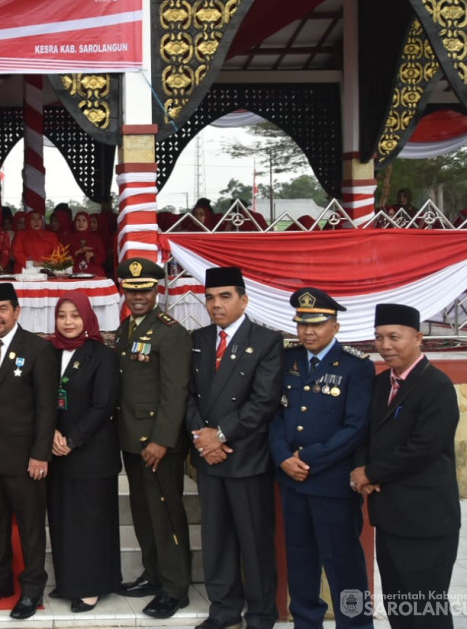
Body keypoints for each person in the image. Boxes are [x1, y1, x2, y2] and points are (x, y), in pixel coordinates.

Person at [351, 304, 460, 629]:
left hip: (426, 521)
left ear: (418, 338)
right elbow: (366, 435)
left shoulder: (437, 386)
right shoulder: (382, 383)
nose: (385, 345)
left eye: (394, 337)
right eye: (379, 337)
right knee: (399, 606)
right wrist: (361, 467)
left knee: (426, 608)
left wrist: (371, 473)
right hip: (390, 518)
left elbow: (424, 447)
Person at [270, 288, 373, 629]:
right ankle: (306, 622)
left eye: (317, 324)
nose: (308, 331)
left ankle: (356, 624)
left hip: (331, 483)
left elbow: (356, 428)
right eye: (302, 324)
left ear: (335, 326)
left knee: (343, 562)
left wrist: (309, 459)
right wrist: (283, 456)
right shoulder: (290, 360)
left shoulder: (356, 366)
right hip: (292, 481)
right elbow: (275, 415)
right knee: (300, 560)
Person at [187, 266, 283, 629]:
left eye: (225, 297)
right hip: (210, 458)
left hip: (246, 458)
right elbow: (190, 396)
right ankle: (224, 609)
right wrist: (202, 438)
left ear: (244, 299)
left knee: (254, 541)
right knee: (217, 539)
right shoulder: (197, 339)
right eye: (210, 298)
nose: (216, 305)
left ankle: (261, 614)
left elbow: (263, 402)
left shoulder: (266, 341)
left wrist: (220, 437)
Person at [0, 282, 58, 620]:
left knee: (32, 527)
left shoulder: (37, 348)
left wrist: (40, 453)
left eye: (3, 309)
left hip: (25, 459)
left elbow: (47, 408)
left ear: (17, 311)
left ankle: (32, 588)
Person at [114, 258, 192, 619]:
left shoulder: (170, 331)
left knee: (165, 514)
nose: (138, 296)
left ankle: (176, 588)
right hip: (132, 439)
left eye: (144, 289)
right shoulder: (127, 327)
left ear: (157, 289)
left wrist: (162, 440)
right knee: (144, 513)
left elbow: (175, 392)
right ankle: (154, 573)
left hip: (158, 443)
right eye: (131, 290)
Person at [46, 291, 121, 614]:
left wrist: (71, 439)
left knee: (90, 522)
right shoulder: (48, 352)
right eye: (62, 315)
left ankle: (91, 586)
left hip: (90, 453)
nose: (68, 322)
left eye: (75, 315)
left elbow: (102, 405)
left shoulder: (102, 355)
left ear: (87, 317)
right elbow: (40, 398)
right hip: (55, 450)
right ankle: (69, 582)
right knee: (63, 520)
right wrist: (50, 434)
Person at [67, 211, 108, 276]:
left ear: (88, 222)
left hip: (94, 270)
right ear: (75, 222)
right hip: (75, 270)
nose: (81, 223)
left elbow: (103, 256)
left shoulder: (95, 237)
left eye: (84, 220)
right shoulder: (69, 238)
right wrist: (77, 252)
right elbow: (64, 258)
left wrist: (93, 255)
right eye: (78, 220)